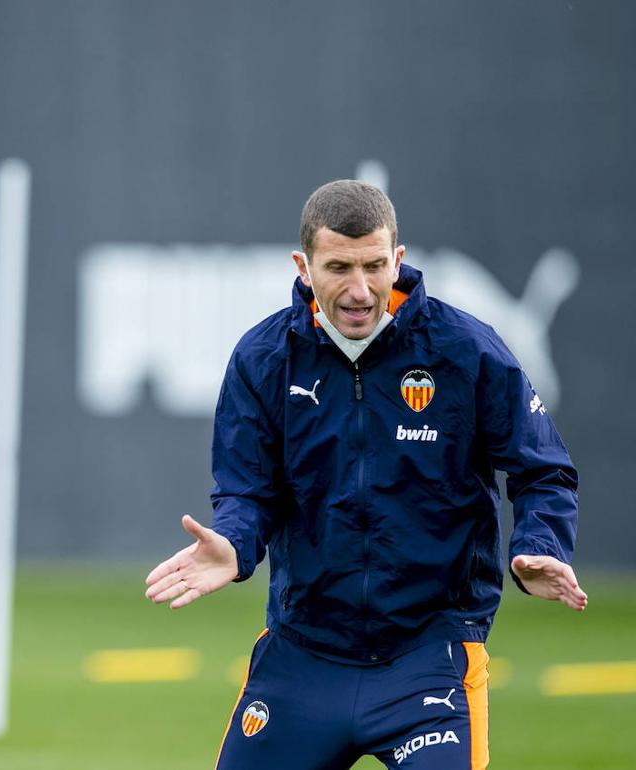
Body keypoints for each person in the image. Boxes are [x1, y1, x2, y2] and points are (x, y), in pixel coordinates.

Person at [145, 180, 584, 770]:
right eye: (338, 268)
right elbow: (247, 492)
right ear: (303, 267)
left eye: (375, 265)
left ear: (398, 259)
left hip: (431, 656)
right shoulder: (262, 358)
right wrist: (234, 543)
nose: (360, 290)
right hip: (303, 655)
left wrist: (538, 546)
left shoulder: (466, 350)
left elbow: (543, 471)